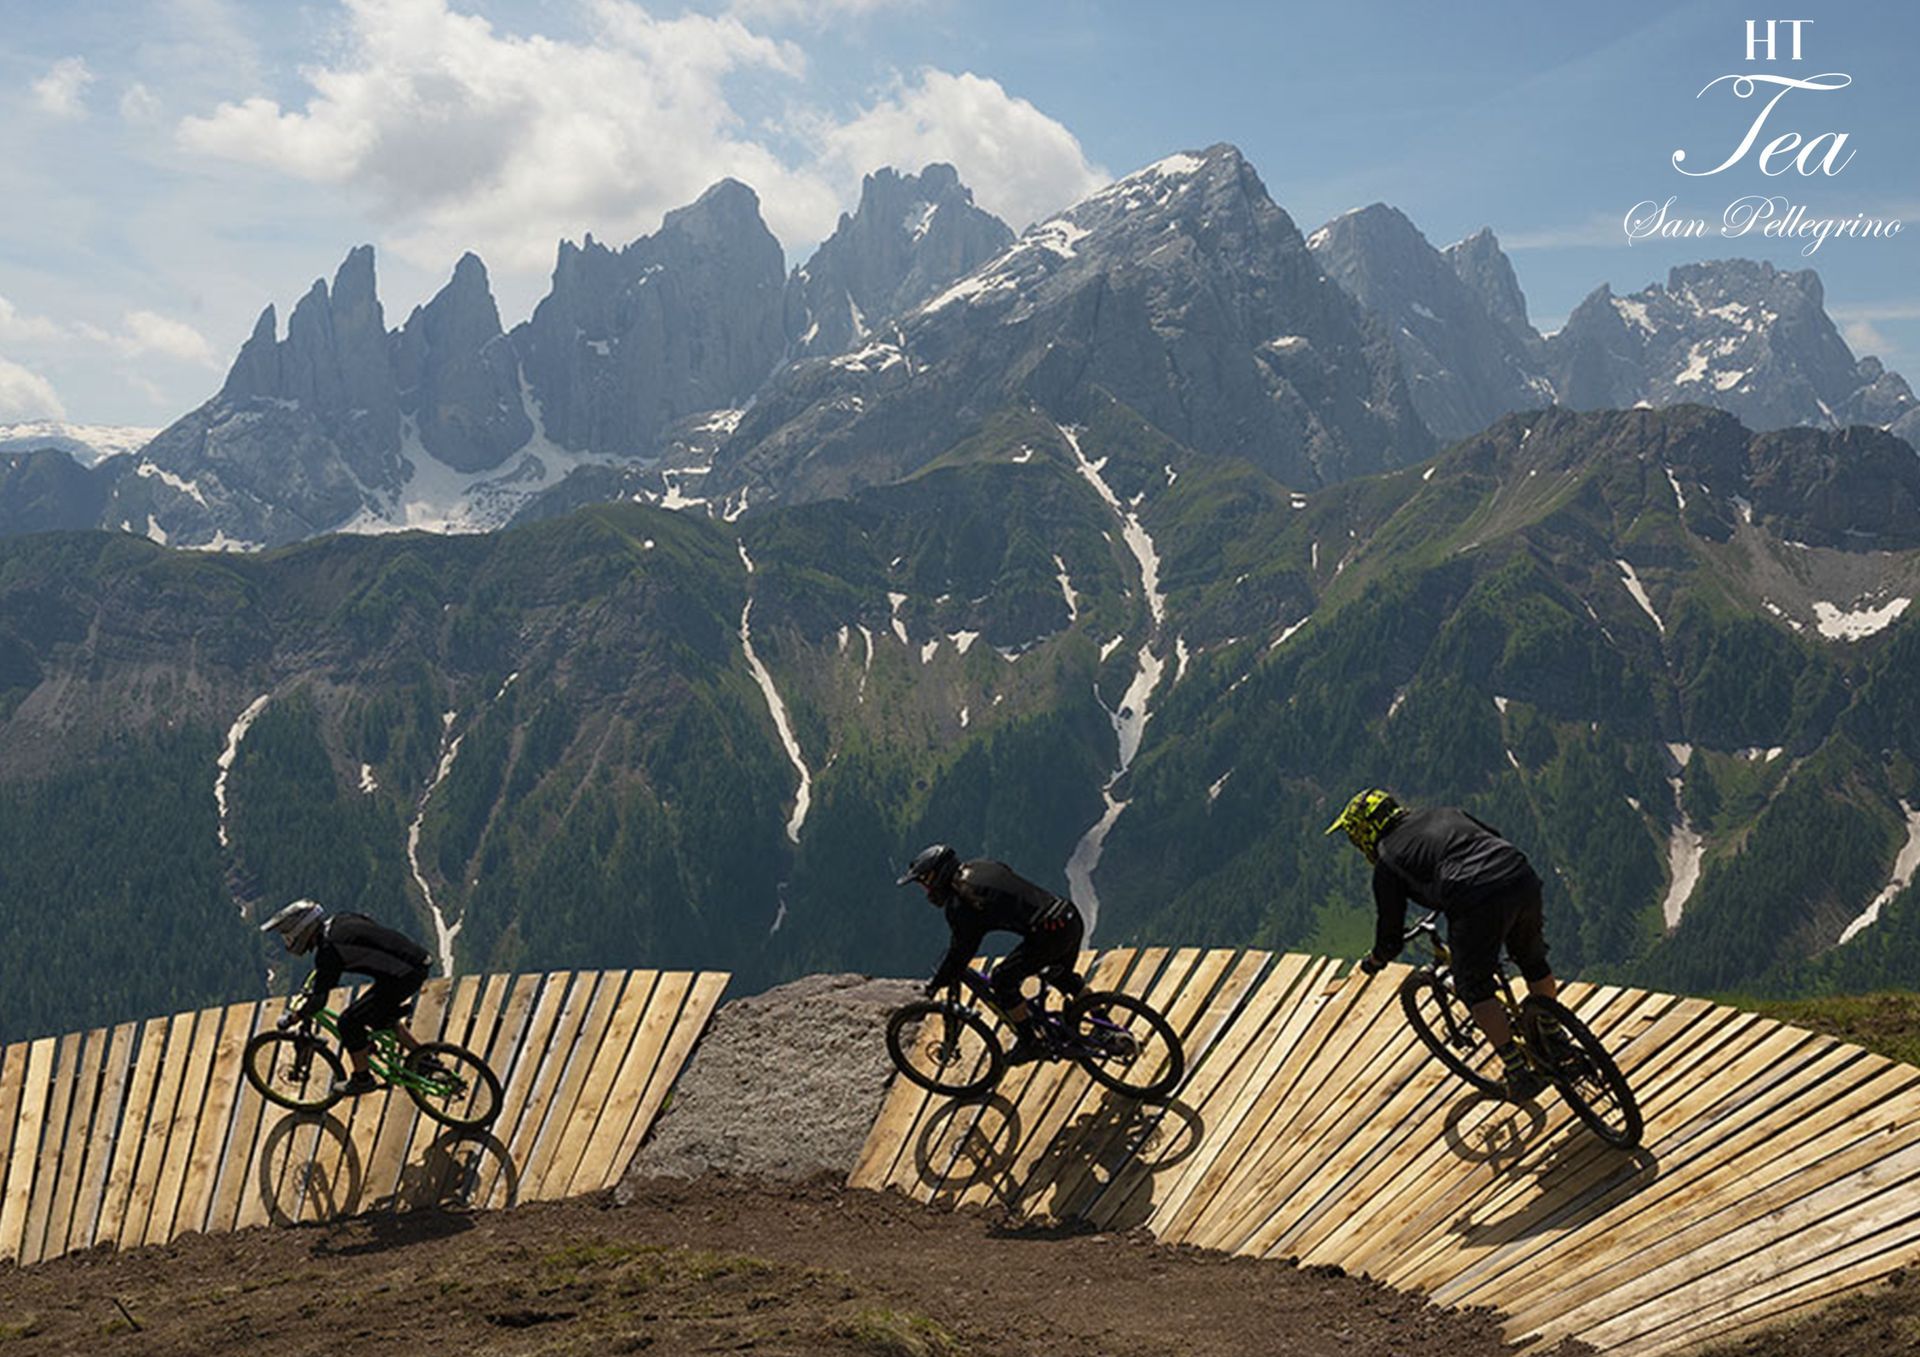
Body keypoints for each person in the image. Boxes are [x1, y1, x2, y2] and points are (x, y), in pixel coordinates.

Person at [1325, 789, 1560, 1101]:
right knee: (1532, 960)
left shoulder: (1387, 859)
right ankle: (1554, 1035)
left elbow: (1391, 933)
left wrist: (1376, 960)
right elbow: (1492, 836)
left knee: (1473, 986)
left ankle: (1517, 1070)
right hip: (1517, 872)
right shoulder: (1445, 811)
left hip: (1474, 897)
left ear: (1364, 830)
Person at [898, 844, 1085, 1065]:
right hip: (1068, 915)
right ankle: (1104, 1022)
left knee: (1002, 979)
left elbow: (962, 951)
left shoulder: (963, 902)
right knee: (1059, 975)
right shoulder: (981, 865)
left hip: (1049, 933)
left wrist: (938, 982)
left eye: (926, 881)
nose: (927, 889)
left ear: (939, 875)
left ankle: (1030, 1042)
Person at [259, 899, 433, 1096]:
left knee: (348, 1022)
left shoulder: (328, 952)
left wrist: (293, 1018)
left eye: (287, 934)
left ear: (301, 930)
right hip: (413, 962)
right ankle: (425, 1060)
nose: (287, 939)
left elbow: (318, 1002)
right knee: (379, 1015)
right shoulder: (341, 920)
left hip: (404, 975)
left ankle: (363, 1079)